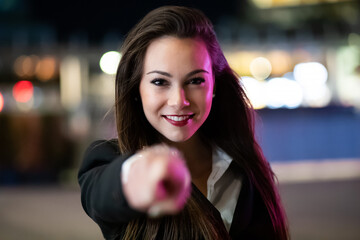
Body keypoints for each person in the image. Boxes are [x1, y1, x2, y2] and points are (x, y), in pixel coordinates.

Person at [78, 5, 289, 240]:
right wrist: (140, 176)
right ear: (136, 88)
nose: (179, 101)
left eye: (196, 80)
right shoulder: (106, 159)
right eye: (160, 82)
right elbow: (102, 195)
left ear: (215, 86)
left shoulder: (246, 170)